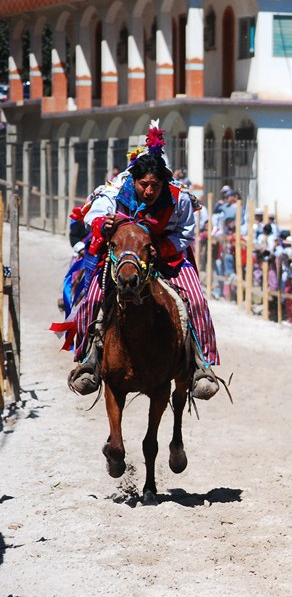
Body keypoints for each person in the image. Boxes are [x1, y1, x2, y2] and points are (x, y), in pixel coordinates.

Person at [66, 129, 221, 400]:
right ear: (133, 180)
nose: (149, 191)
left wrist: (158, 250)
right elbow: (94, 215)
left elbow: (186, 232)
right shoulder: (115, 190)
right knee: (91, 300)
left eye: (155, 185)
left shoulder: (179, 197)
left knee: (196, 300)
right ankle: (88, 360)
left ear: (164, 183)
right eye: (143, 184)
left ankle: (201, 365)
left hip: (165, 255)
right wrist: (105, 224)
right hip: (123, 255)